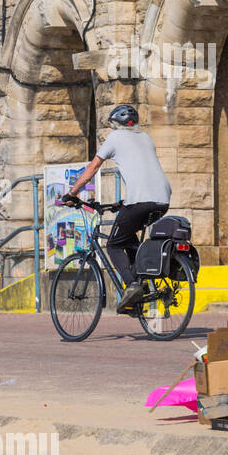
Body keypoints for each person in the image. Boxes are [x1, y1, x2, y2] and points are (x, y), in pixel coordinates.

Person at [64, 105, 173, 314]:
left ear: (115, 124)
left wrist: (72, 193)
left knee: (113, 244)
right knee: (130, 240)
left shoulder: (115, 137)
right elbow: (144, 172)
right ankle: (141, 291)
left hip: (141, 201)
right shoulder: (146, 138)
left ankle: (132, 287)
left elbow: (92, 168)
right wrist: (123, 202)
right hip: (162, 200)